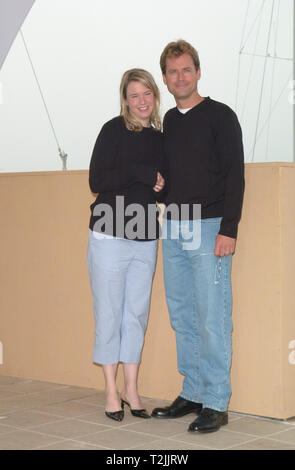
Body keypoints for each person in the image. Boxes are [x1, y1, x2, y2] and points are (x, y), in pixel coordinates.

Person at [151, 40, 245, 433]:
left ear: (198, 72)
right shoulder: (169, 122)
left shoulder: (221, 116)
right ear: (166, 79)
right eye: (173, 72)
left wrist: (229, 229)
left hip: (209, 228)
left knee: (212, 317)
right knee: (183, 316)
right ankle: (192, 391)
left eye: (186, 69)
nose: (180, 77)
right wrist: (161, 186)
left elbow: (235, 175)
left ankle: (216, 401)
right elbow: (176, 173)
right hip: (172, 227)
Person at [87, 68, 165, 422]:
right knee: (109, 313)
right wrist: (140, 174)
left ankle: (132, 389)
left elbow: (165, 182)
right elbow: (97, 180)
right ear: (125, 99)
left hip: (145, 236)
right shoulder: (112, 130)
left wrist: (164, 183)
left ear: (154, 96)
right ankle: (110, 390)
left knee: (135, 315)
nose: (141, 101)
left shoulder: (160, 137)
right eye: (134, 95)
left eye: (146, 93)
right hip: (109, 233)